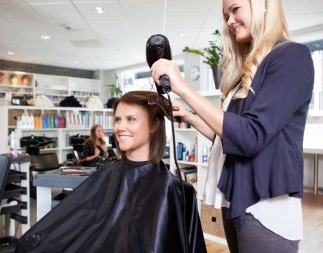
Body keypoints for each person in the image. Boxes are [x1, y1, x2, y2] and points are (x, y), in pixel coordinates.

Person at [151, 0, 314, 252]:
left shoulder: (292, 57)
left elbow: (251, 135)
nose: (229, 21)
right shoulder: (247, 71)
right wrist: (190, 117)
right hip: (236, 201)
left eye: (235, 9)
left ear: (263, 6)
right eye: (226, 14)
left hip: (266, 208)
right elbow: (229, 139)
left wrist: (183, 88)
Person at [16, 90, 206, 253]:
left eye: (131, 119)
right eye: (117, 120)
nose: (120, 127)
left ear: (154, 125)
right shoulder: (108, 174)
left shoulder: (173, 190)